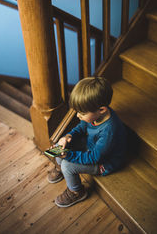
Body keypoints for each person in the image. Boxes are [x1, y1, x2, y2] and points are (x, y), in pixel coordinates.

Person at [47, 76, 127, 208]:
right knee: (59, 147)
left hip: (103, 162)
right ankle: (60, 167)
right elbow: (81, 127)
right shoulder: (93, 115)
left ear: (101, 110)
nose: (78, 116)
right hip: (90, 147)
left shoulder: (110, 131)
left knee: (68, 165)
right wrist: (68, 136)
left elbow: (95, 157)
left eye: (81, 113)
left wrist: (68, 156)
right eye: (77, 112)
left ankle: (77, 191)